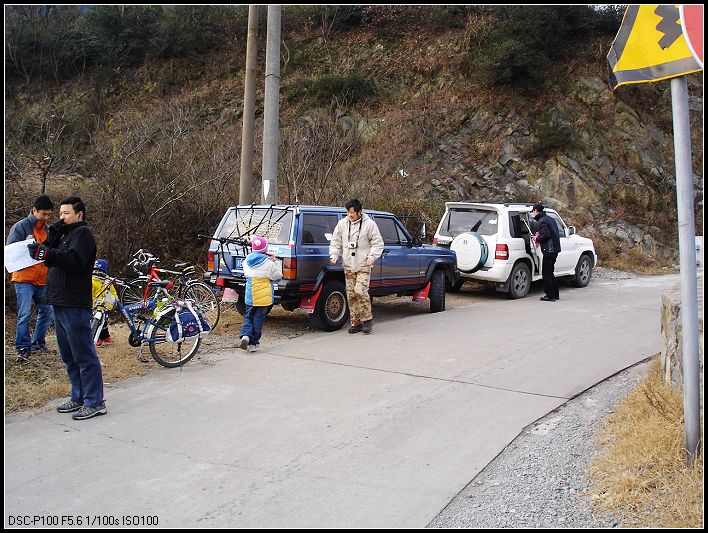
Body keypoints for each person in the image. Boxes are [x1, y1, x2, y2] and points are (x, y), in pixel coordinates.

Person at [27, 196, 107, 420]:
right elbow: (49, 258)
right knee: (68, 354)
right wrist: (52, 236)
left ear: (79, 214)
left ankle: (95, 401)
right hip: (59, 300)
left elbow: (75, 261)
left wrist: (48, 253)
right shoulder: (64, 234)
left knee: (83, 353)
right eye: (60, 213)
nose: (61, 217)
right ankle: (79, 396)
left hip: (74, 302)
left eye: (66, 213)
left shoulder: (83, 235)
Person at [6, 194, 57, 361]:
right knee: (24, 314)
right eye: (43, 214)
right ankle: (22, 348)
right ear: (34, 210)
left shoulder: (47, 230)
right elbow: (11, 252)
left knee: (47, 312)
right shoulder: (20, 227)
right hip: (24, 279)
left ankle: (38, 343)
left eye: (49, 214)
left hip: (43, 279)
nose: (46, 217)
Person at [329, 198, 384, 334]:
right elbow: (335, 241)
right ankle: (356, 322)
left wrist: (371, 257)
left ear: (359, 212)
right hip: (348, 264)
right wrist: (334, 255)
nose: (349, 215)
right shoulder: (342, 224)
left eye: (352, 212)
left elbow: (378, 243)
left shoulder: (369, 224)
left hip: (364, 264)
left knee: (360, 290)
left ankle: (367, 321)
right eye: (348, 212)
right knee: (351, 294)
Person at [239, 235, 283, 353]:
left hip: (250, 295)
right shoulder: (269, 264)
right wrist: (275, 262)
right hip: (264, 297)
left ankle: (246, 336)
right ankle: (253, 344)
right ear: (266, 249)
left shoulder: (246, 261)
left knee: (248, 317)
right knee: (258, 320)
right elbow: (278, 277)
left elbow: (246, 274)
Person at [531, 202, 561, 302]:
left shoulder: (542, 221)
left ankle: (550, 295)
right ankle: (555, 294)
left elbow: (546, 235)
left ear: (536, 211)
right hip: (554, 249)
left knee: (546, 273)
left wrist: (537, 238)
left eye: (533, 211)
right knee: (550, 272)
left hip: (549, 250)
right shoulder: (550, 219)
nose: (532, 213)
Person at [92, 258, 117, 346]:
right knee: (95, 324)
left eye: (100, 271)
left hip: (105, 307)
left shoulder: (108, 282)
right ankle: (96, 337)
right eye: (96, 270)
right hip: (94, 307)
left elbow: (113, 293)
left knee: (104, 323)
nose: (98, 273)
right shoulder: (91, 281)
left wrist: (115, 300)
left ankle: (104, 336)